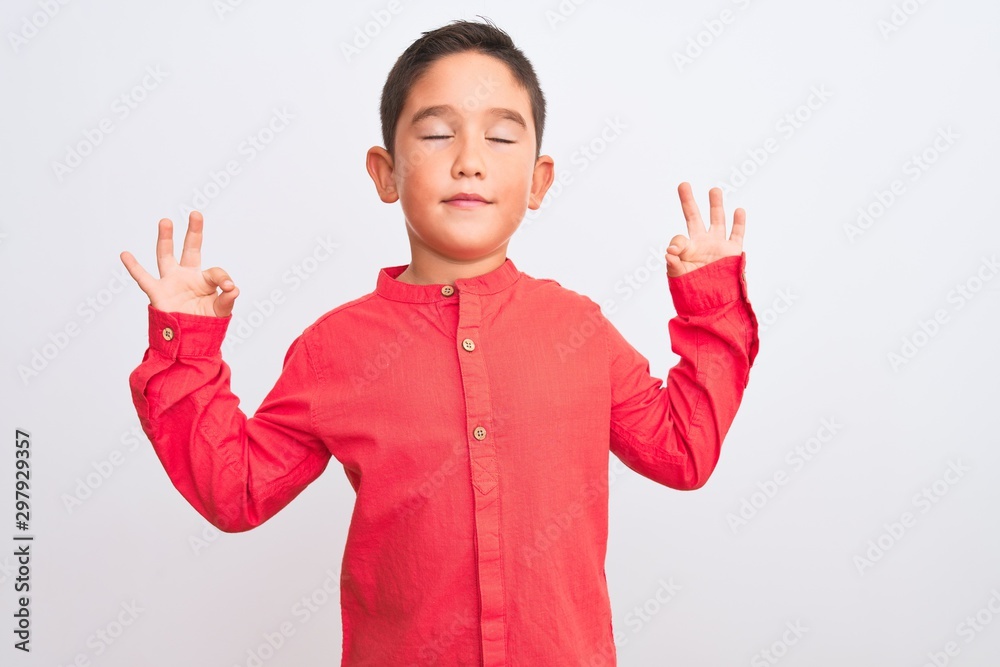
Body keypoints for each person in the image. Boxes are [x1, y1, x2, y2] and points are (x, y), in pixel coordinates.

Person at [120, 17, 759, 666]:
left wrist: (711, 305)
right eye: (435, 133)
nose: (469, 161)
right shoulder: (335, 349)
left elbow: (683, 451)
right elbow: (238, 490)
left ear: (538, 181)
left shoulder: (579, 331)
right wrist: (185, 347)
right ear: (385, 172)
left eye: (501, 136)